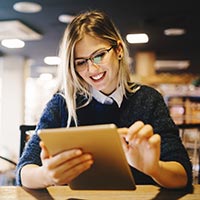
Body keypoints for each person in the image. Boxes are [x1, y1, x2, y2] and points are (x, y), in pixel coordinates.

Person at [15, 10, 192, 189]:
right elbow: (24, 171)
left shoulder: (148, 99)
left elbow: (183, 175)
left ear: (119, 50)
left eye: (99, 55)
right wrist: (46, 175)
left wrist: (154, 169)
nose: (92, 69)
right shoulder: (62, 103)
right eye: (81, 62)